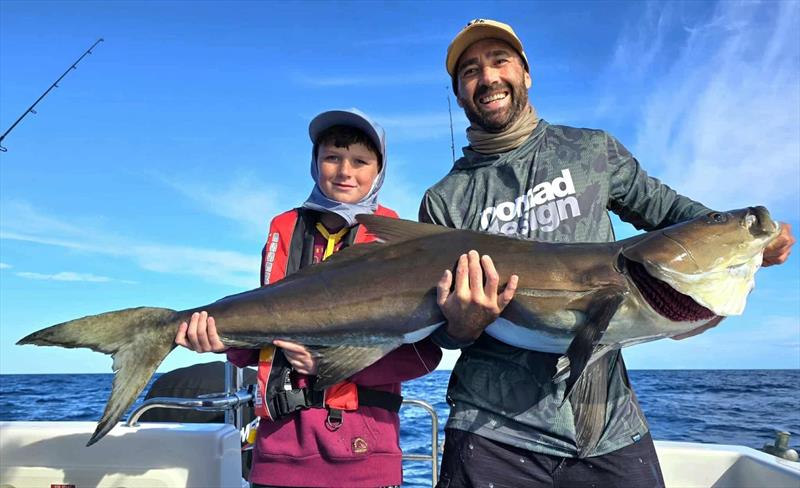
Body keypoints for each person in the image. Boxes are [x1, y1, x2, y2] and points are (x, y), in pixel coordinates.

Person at [420, 19, 796, 488]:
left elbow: (671, 212)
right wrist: (461, 323)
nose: (489, 78)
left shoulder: (591, 151)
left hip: (605, 423)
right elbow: (439, 333)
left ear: (526, 73)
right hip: (490, 429)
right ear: (458, 93)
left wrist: (743, 238)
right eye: (471, 71)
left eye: (501, 61)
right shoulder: (444, 200)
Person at [175, 108, 442, 488]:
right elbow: (258, 340)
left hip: (366, 457)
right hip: (277, 456)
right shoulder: (284, 229)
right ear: (315, 164)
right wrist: (224, 343)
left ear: (379, 171)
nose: (345, 171)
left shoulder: (399, 240)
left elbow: (423, 354)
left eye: (361, 161)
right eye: (332, 157)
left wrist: (329, 364)